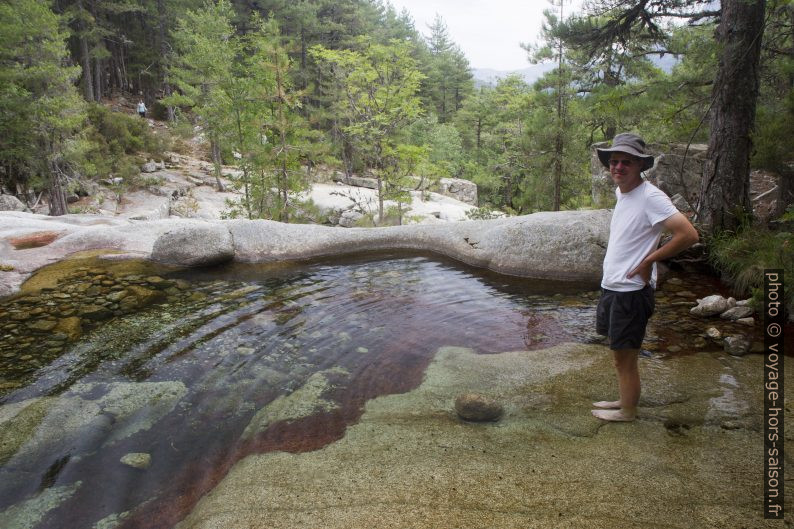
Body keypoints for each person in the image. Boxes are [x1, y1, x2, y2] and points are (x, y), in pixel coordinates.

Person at [592, 133, 699, 422]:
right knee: (619, 354)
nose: (618, 167)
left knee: (625, 358)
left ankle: (628, 412)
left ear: (640, 165)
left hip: (631, 291)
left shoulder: (651, 197)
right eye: (614, 161)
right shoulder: (623, 191)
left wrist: (650, 260)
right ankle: (623, 400)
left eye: (626, 162)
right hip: (613, 285)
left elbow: (688, 235)